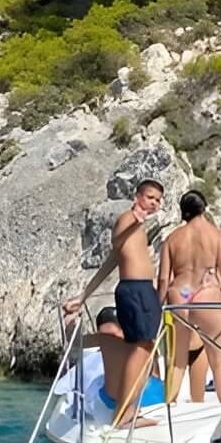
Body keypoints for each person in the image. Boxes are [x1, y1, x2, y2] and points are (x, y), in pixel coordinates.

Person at [64, 177, 166, 421]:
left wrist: (84, 295)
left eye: (158, 200)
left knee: (143, 349)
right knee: (143, 349)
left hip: (140, 291)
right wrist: (134, 222)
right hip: (136, 290)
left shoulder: (137, 226)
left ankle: (127, 410)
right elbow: (118, 240)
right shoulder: (128, 219)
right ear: (138, 197)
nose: (154, 203)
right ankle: (124, 413)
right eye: (150, 197)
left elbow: (112, 260)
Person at [158, 189, 221, 403]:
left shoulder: (172, 239)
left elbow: (163, 279)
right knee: (219, 361)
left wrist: (158, 305)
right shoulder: (215, 235)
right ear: (204, 208)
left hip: (181, 294)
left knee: (177, 362)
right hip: (206, 293)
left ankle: (169, 408)